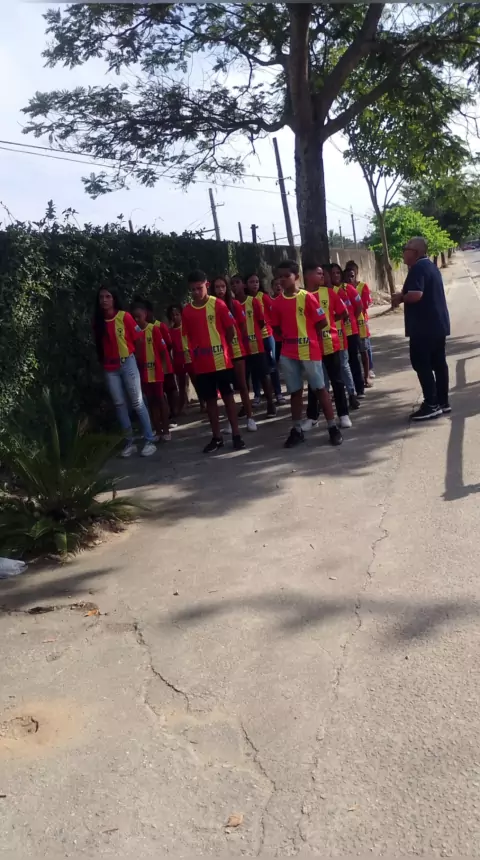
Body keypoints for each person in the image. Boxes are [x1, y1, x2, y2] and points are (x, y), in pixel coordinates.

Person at [271, 259, 343, 448]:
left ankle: (333, 427)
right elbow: (276, 328)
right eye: (280, 276)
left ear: (296, 276)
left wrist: (308, 336)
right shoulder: (277, 303)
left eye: (286, 276)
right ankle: (297, 430)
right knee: (295, 392)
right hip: (288, 353)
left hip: (309, 351)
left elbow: (322, 322)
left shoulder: (308, 297)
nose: (282, 280)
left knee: (320, 389)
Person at [181, 270, 245, 452]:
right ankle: (217, 437)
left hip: (221, 362)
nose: (196, 292)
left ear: (206, 285)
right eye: (192, 289)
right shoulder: (187, 311)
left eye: (199, 288)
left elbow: (230, 330)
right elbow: (186, 336)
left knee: (228, 398)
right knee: (210, 401)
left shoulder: (218, 304)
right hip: (202, 365)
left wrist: (224, 348)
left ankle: (236, 434)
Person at [92, 287, 156, 458]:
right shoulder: (98, 321)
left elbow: (139, 339)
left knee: (137, 402)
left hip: (127, 362)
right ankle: (129, 442)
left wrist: (137, 360)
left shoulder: (124, 317)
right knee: (120, 404)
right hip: (110, 367)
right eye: (101, 297)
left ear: (114, 299)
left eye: (108, 296)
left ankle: (149, 439)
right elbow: (99, 345)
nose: (104, 300)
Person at [392, 237, 450, 420]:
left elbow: (416, 294)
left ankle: (431, 404)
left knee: (421, 363)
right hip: (437, 325)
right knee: (439, 363)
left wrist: (401, 297)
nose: (403, 252)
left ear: (415, 252)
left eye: (406, 248)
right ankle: (442, 401)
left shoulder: (418, 268)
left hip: (424, 328)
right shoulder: (430, 266)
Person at [303, 263, 352, 429]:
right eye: (318, 273)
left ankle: (343, 414)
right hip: (310, 346)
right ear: (308, 276)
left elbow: (344, 312)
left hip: (330, 343)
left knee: (336, 381)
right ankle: (312, 417)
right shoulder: (301, 296)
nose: (323, 276)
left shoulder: (329, 293)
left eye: (323, 274)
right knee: (313, 384)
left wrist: (330, 321)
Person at [209, 276, 257, 432]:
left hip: (236, 350)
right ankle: (232, 421)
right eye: (217, 287)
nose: (220, 290)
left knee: (242, 385)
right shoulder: (211, 306)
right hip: (221, 353)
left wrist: (237, 341)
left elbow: (242, 326)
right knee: (227, 390)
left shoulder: (234, 304)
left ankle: (250, 417)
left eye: (223, 286)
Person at [231, 274, 277, 419]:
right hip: (239, 349)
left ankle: (270, 403)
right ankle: (246, 405)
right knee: (243, 380)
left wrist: (253, 334)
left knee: (264, 375)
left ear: (243, 285)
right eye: (232, 283)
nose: (234, 286)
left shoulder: (253, 301)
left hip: (255, 346)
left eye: (237, 282)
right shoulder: (230, 304)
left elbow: (261, 321)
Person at [133, 294, 179, 421]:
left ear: (148, 313)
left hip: (163, 364)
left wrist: (163, 361)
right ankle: (161, 418)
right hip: (149, 369)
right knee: (157, 395)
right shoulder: (137, 330)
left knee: (170, 388)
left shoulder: (159, 326)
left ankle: (174, 412)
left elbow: (168, 344)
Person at [131, 299, 171, 441]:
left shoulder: (154, 329)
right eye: (134, 317)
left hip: (156, 372)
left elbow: (163, 350)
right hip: (143, 374)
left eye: (139, 316)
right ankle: (157, 430)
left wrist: (164, 368)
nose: (137, 320)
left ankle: (166, 430)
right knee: (151, 402)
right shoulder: (133, 333)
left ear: (145, 314)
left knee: (160, 399)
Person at [245, 272, 286, 405]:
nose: (255, 284)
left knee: (272, 364)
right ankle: (257, 395)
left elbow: (273, 312)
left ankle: (278, 393)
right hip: (252, 339)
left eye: (257, 282)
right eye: (251, 282)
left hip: (267, 336)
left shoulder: (264, 297)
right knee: (255, 368)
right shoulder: (244, 300)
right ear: (246, 284)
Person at [330, 263, 365, 398]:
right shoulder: (329, 291)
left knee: (353, 360)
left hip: (351, 331)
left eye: (338, 273)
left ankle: (359, 388)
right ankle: (343, 390)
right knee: (339, 363)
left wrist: (352, 319)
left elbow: (359, 306)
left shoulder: (348, 288)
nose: (336, 276)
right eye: (333, 273)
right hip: (335, 333)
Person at [166, 303, 203, 414]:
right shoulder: (170, 331)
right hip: (178, 359)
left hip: (190, 356)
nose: (175, 317)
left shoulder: (187, 327)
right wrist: (171, 360)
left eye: (177, 314)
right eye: (173, 315)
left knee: (195, 381)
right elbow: (169, 347)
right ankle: (181, 406)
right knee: (181, 384)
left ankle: (203, 403)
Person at [344, 264, 372, 389]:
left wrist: (355, 317)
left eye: (352, 276)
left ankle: (366, 376)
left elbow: (363, 305)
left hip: (360, 323)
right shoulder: (342, 289)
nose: (350, 279)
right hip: (349, 327)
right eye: (347, 276)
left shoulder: (361, 287)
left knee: (364, 351)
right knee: (352, 355)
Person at [271, 275, 284, 364]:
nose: (278, 286)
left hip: (287, 337)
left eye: (280, 284)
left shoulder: (287, 299)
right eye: (276, 284)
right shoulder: (269, 299)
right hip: (275, 337)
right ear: (272, 287)